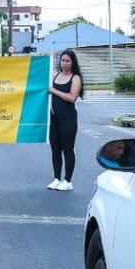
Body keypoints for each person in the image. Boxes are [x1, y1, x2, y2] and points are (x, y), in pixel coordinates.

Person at [46, 49, 83, 191]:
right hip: (54, 118)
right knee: (55, 150)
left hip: (68, 118)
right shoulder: (57, 75)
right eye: (62, 60)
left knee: (68, 150)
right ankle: (57, 178)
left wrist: (54, 91)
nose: (64, 63)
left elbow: (72, 97)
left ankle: (68, 181)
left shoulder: (76, 78)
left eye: (67, 61)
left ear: (73, 62)